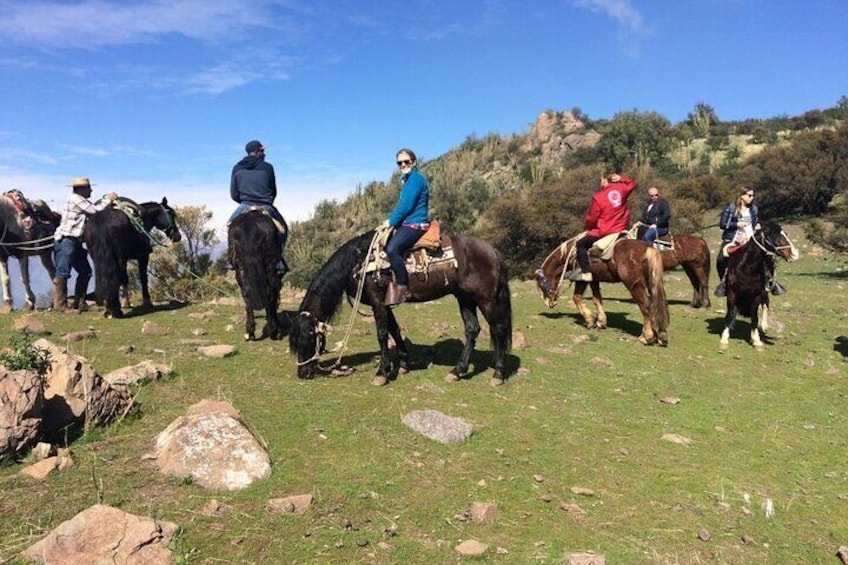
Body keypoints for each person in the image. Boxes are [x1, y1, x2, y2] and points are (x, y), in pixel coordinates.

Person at [53, 177, 118, 312]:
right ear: (81, 189)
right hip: (67, 240)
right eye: (88, 188)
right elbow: (95, 210)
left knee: (86, 272)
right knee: (63, 271)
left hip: (74, 241)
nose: (91, 190)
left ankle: (80, 302)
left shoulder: (79, 200)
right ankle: (60, 305)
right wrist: (108, 199)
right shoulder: (75, 199)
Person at [379, 148, 430, 306]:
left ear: (413, 162)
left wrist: (390, 222)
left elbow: (406, 207)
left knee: (392, 249)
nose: (403, 165)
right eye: (399, 163)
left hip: (415, 224)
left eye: (406, 161)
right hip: (407, 223)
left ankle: (403, 287)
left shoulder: (415, 180)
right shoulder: (409, 180)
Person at [229, 139, 288, 274]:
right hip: (266, 205)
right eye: (262, 150)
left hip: (244, 205)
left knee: (229, 228)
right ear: (257, 151)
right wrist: (266, 201)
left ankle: (231, 260)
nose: (264, 153)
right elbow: (273, 191)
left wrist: (245, 202)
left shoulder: (237, 168)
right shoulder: (268, 167)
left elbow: (233, 193)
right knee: (284, 230)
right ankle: (278, 260)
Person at [713, 186, 785, 297]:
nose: (752, 197)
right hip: (733, 239)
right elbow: (723, 224)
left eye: (753, 195)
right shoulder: (731, 208)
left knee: (767, 257)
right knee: (720, 260)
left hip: (751, 239)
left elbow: (755, 222)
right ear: (742, 196)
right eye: (749, 195)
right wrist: (736, 224)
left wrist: (757, 226)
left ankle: (772, 282)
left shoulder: (754, 209)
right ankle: (724, 284)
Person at [568, 172, 637, 282]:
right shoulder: (622, 189)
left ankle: (586, 273)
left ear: (604, 180)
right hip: (621, 229)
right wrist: (622, 179)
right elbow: (633, 184)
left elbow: (592, 218)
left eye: (601, 180)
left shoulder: (598, 197)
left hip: (604, 232)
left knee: (580, 244)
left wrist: (588, 228)